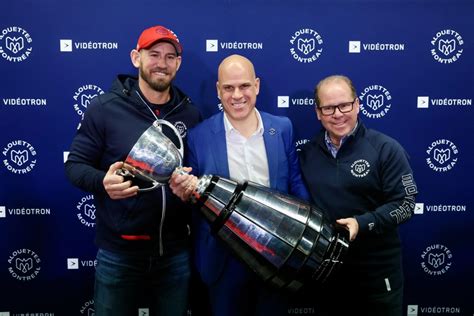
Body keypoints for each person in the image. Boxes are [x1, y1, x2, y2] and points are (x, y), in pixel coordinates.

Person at [64, 25, 201, 316]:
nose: (162, 63)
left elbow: (199, 174)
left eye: (170, 56)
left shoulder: (190, 113)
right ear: (135, 58)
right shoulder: (104, 108)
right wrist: (103, 181)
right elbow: (74, 166)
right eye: (153, 54)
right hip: (120, 253)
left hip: (176, 252)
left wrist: (192, 186)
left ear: (178, 63)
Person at [170, 54, 310, 316]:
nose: (237, 95)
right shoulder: (199, 136)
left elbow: (295, 183)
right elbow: (193, 195)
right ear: (218, 90)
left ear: (256, 85)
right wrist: (183, 191)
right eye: (228, 87)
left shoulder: (281, 128)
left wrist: (305, 239)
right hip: (223, 259)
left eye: (244, 86)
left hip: (277, 257)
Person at [299, 75, 418, 316]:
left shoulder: (386, 149)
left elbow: (406, 204)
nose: (338, 113)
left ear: (358, 104)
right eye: (329, 107)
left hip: (377, 275)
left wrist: (360, 224)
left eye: (345, 105)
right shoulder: (307, 154)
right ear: (318, 112)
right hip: (328, 274)